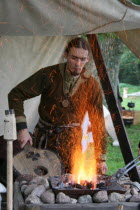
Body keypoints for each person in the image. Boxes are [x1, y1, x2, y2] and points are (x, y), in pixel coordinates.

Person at [8, 37, 108, 174]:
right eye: (74, 58)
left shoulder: (92, 85)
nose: (78, 63)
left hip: (73, 145)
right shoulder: (48, 74)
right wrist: (22, 129)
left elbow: (98, 123)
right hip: (45, 141)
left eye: (82, 59)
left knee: (69, 183)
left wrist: (100, 158)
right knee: (41, 183)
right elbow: (16, 94)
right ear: (65, 55)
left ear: (88, 59)